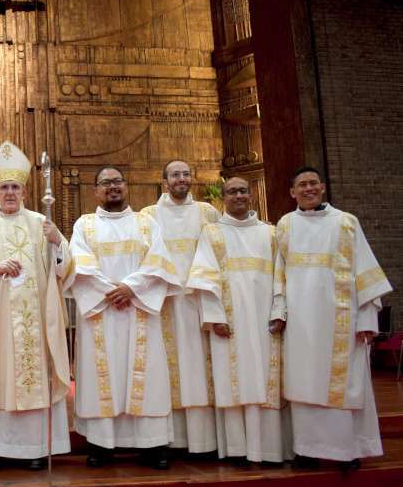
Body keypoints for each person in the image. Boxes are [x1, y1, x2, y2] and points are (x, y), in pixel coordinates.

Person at [0, 141, 72, 471]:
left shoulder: (41, 224)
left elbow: (65, 269)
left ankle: (34, 449)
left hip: (36, 321)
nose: (10, 193)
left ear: (24, 191)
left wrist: (57, 242)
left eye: (15, 187)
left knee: (34, 378)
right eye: (4, 187)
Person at [270, 166, 389, 469]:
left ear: (322, 187)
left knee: (343, 385)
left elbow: (366, 275)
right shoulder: (285, 225)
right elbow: (278, 275)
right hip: (301, 323)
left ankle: (345, 451)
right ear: (291, 192)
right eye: (302, 185)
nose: (308, 189)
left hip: (341, 322)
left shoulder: (347, 224)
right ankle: (307, 450)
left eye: (313, 184)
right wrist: (279, 312)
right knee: (304, 383)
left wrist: (367, 320)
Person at [68, 166, 181, 469]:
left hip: (139, 308)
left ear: (126, 186)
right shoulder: (85, 224)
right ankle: (101, 446)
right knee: (102, 377)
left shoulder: (146, 223)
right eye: (105, 182)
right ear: (96, 190)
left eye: (117, 181)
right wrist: (110, 292)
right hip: (100, 313)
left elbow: (158, 260)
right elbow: (79, 263)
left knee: (146, 376)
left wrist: (130, 288)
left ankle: (152, 445)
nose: (113, 187)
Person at [187, 177, 293, 464]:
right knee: (233, 382)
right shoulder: (212, 233)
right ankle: (237, 450)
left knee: (265, 382)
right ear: (223, 198)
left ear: (251, 195)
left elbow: (280, 277)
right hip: (228, 326)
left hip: (265, 324)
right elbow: (204, 277)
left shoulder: (269, 233)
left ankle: (270, 451)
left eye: (243, 190)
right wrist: (214, 317)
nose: (238, 195)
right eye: (232, 191)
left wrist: (279, 311)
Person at [141, 159, 219, 455]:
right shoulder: (148, 216)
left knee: (200, 366)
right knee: (168, 367)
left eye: (186, 174)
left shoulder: (207, 212)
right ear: (164, 181)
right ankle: (172, 440)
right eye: (175, 174)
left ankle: (205, 440)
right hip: (165, 303)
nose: (181, 179)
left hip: (199, 299)